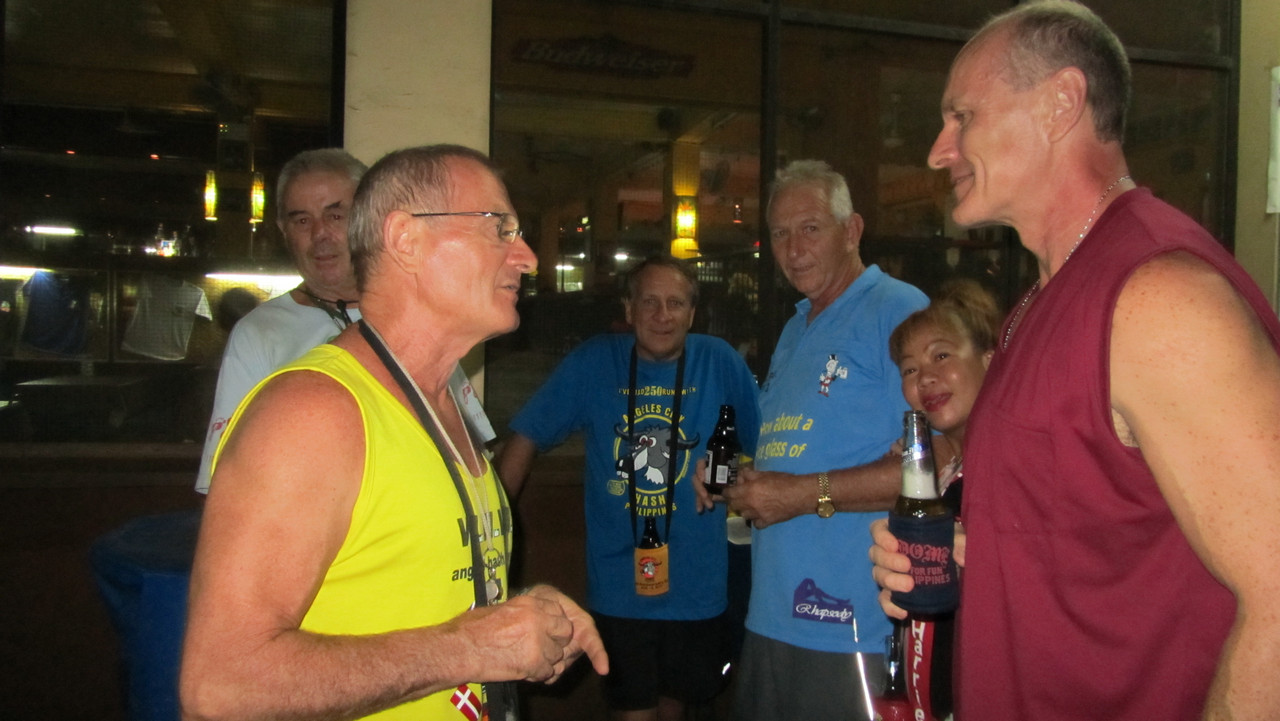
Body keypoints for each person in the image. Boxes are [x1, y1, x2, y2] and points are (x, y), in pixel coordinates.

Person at [869, 3, 1280, 719]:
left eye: (962, 116)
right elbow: (1087, 535)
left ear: (1061, 102)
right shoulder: (1039, 300)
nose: (938, 151)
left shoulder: (1157, 295)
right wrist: (960, 553)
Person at [181, 144, 608, 721]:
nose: (528, 258)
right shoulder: (313, 412)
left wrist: (519, 617)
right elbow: (220, 686)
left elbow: (413, 597)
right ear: (406, 239)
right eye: (498, 228)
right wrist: (474, 647)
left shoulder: (441, 400)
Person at [497, 255, 760, 721]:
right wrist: (492, 533)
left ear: (692, 314)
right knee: (632, 711)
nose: (663, 315)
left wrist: (730, 474)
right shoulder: (595, 361)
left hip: (698, 587)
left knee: (675, 708)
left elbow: (766, 449)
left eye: (676, 303)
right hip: (619, 585)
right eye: (650, 302)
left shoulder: (719, 361)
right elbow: (526, 436)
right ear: (629, 309)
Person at [719, 159, 927, 721]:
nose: (793, 249)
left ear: (852, 230)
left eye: (810, 228)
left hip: (852, 622)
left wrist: (798, 495)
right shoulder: (796, 326)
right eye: (780, 233)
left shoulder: (899, 310)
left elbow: (933, 464)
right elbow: (796, 448)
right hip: (771, 613)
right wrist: (735, 475)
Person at [194, 148, 492, 494]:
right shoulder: (258, 334)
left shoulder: (421, 318)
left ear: (370, 218)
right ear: (283, 231)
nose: (320, 234)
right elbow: (224, 481)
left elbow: (475, 456)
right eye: (302, 221)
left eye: (336, 216)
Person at [877, 279, 1001, 721]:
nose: (925, 377)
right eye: (909, 369)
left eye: (941, 356)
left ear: (990, 358)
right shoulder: (945, 474)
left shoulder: (1017, 468)